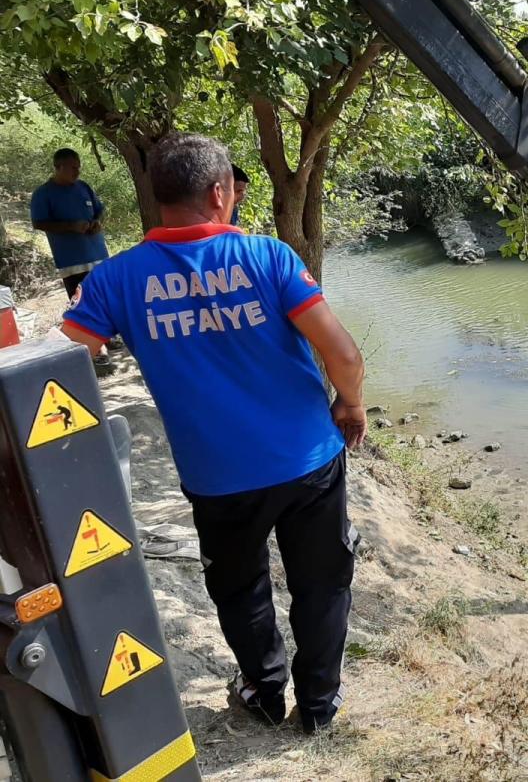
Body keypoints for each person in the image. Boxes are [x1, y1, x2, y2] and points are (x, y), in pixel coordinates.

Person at [60, 133, 367, 734]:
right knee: (322, 583)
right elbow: (345, 355)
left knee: (239, 587)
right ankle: (319, 706)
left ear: (158, 194)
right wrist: (350, 405)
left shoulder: (114, 279)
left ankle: (264, 691)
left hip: (216, 475)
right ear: (221, 192)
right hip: (307, 460)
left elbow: (61, 363)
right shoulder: (271, 257)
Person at [31, 148, 118, 372]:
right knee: (82, 302)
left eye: (78, 167)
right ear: (58, 167)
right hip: (71, 260)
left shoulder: (84, 187)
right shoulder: (44, 193)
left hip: (97, 254)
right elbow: (38, 222)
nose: (77, 172)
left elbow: (99, 210)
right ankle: (97, 352)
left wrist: (96, 221)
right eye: (72, 168)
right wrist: (71, 226)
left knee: (107, 296)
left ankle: (110, 337)